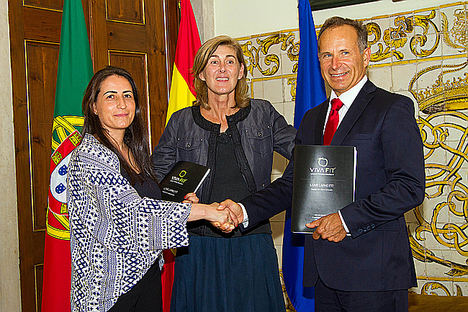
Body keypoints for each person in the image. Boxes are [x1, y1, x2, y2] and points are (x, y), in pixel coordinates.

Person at [221, 17, 425, 312]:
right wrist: (242, 209)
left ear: (365, 56)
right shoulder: (313, 118)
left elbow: (409, 187)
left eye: (345, 52)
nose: (335, 64)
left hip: (374, 276)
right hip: (324, 274)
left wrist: (345, 219)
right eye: (327, 54)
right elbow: (294, 183)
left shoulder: (392, 108)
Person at [67, 66, 232, 312]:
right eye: (110, 96)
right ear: (93, 106)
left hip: (145, 275)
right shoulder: (90, 156)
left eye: (128, 95)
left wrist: (181, 207)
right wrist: (205, 212)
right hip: (108, 288)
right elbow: (132, 214)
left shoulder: (133, 152)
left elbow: (148, 202)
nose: (121, 104)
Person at [152, 35, 296, 312]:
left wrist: (277, 195)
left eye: (230, 61)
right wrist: (180, 200)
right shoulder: (180, 121)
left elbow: (305, 156)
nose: (222, 69)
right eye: (213, 62)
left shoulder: (262, 113)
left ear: (241, 71)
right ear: (201, 74)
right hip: (197, 246)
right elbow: (158, 178)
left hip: (252, 242)